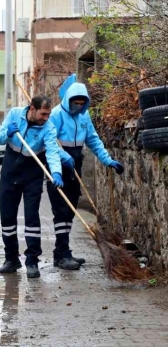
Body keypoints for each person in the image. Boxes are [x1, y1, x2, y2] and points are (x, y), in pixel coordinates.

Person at [47, 76, 124, 270]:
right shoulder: (56, 114)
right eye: (76, 103)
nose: (78, 106)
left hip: (76, 162)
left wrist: (108, 160)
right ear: (69, 100)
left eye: (82, 103)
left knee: (71, 207)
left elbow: (93, 139)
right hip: (57, 163)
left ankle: (61, 252)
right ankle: (63, 254)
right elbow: (48, 142)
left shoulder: (84, 116)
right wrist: (63, 156)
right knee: (61, 209)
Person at [0, 95, 62, 279]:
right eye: (43, 113)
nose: (46, 118)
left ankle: (32, 261)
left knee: (32, 217)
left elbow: (53, 151)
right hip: (9, 173)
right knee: (7, 218)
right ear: (32, 108)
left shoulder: (48, 128)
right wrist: (8, 133)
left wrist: (56, 172)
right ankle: (11, 259)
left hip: (32, 175)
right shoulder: (15, 114)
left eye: (48, 114)